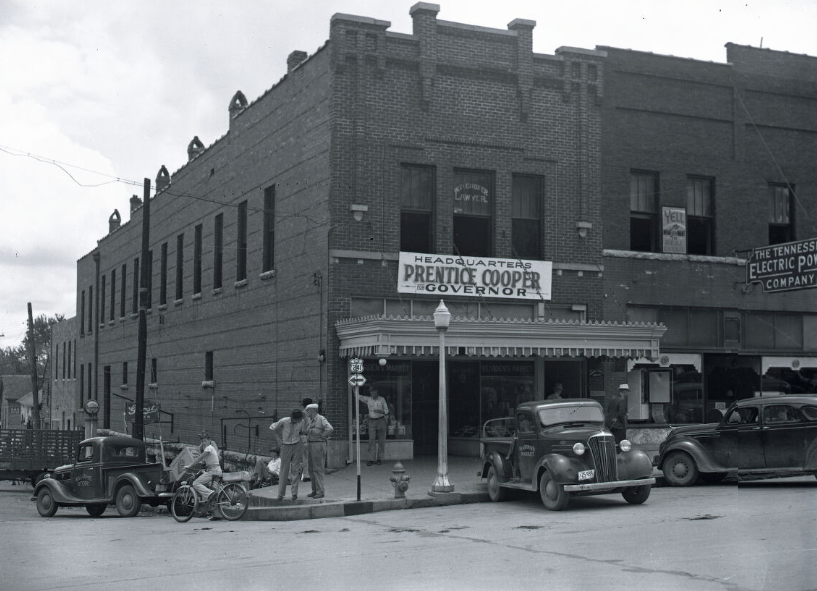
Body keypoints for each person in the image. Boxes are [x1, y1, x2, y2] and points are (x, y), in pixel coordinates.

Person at [269, 409, 306, 501]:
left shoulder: (301, 422)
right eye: (299, 419)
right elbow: (273, 427)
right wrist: (278, 439)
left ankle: (294, 493)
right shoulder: (284, 421)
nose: (300, 420)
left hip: (297, 444)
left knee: (295, 469)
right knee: (284, 469)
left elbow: (301, 432)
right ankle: (280, 493)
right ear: (294, 418)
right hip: (286, 445)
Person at [185, 431, 222, 519]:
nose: (203, 442)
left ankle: (210, 494)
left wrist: (189, 466)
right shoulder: (208, 448)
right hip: (215, 471)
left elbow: (199, 458)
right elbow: (204, 462)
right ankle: (214, 513)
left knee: (196, 483)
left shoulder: (209, 448)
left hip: (214, 471)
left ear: (209, 440)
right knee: (212, 489)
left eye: (205, 440)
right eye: (202, 441)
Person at [304, 403, 334, 499]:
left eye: (307, 410)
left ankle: (320, 491)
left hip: (318, 444)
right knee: (311, 469)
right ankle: (314, 490)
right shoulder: (309, 420)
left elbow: (330, 428)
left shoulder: (320, 418)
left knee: (318, 469)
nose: (306, 412)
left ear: (312, 410)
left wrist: (323, 436)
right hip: (311, 444)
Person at [359, 387, 389, 465]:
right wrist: (354, 389)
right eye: (370, 392)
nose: (371, 393)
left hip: (381, 420)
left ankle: (379, 458)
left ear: (377, 391)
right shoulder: (368, 399)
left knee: (381, 440)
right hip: (372, 420)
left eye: (373, 391)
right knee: (371, 439)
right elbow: (359, 396)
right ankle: (371, 459)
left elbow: (386, 410)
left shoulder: (382, 399)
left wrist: (380, 411)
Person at [300, 398, 313, 481]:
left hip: (304, 436)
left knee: (305, 456)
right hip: (306, 436)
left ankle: (306, 474)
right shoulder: (309, 414)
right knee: (306, 456)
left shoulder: (304, 414)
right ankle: (306, 475)